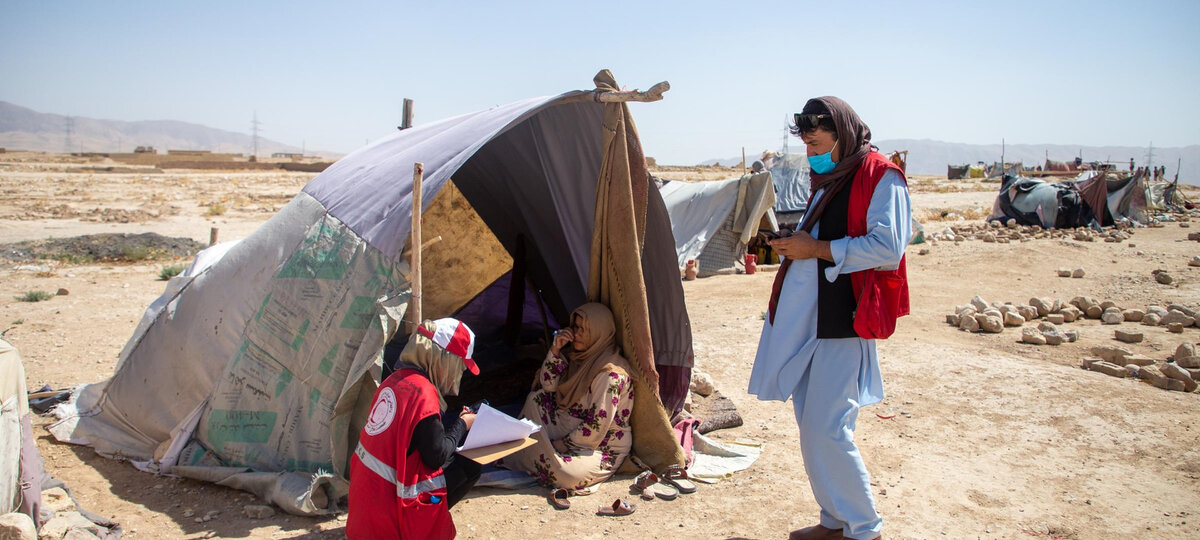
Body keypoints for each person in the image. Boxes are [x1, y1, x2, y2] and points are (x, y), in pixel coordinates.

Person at [750, 96, 911, 540]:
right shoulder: (830, 178)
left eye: (817, 139)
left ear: (841, 131)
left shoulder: (881, 175)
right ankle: (835, 521)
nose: (810, 146)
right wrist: (796, 242)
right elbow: (825, 236)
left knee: (828, 429)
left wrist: (816, 249)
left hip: (844, 321)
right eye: (805, 140)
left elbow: (888, 247)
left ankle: (866, 529)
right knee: (812, 428)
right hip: (810, 321)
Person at [347, 318, 483, 540]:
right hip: (390, 521)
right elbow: (436, 455)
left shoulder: (393, 381)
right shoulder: (423, 394)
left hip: (364, 510)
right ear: (442, 359)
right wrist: (464, 423)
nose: (457, 373)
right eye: (458, 365)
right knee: (470, 466)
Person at [503, 303, 635, 491]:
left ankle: (537, 453)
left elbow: (596, 427)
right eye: (575, 327)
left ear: (599, 332)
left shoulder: (611, 374)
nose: (577, 333)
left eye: (584, 329)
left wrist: (563, 444)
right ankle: (540, 452)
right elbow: (549, 385)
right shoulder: (577, 357)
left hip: (599, 445)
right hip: (568, 424)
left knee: (567, 475)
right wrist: (555, 350)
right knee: (536, 400)